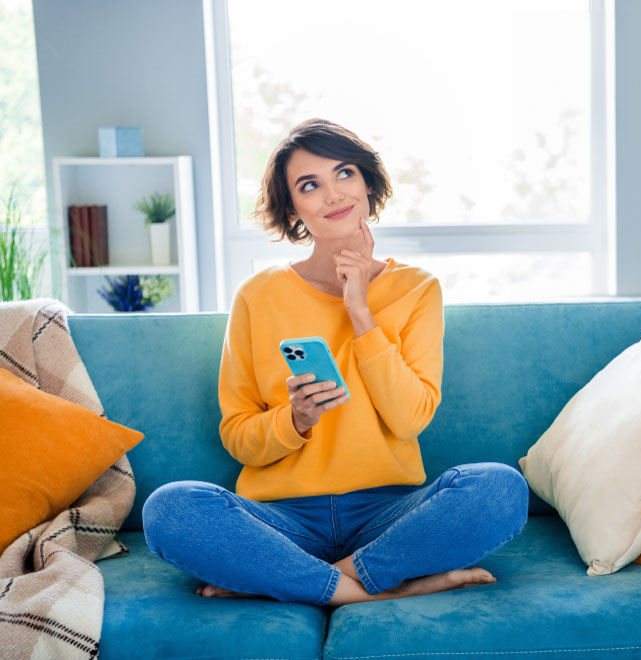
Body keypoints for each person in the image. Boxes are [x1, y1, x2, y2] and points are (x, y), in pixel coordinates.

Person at [142, 119, 529, 607]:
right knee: (171, 508)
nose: (332, 194)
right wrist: (295, 421)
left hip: (388, 515)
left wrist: (360, 311)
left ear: (367, 182)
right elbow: (239, 437)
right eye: (310, 185)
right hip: (281, 520)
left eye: (344, 173)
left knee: (499, 489)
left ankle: (311, 581)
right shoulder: (258, 296)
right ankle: (378, 589)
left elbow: (411, 418)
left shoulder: (417, 289)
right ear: (294, 208)